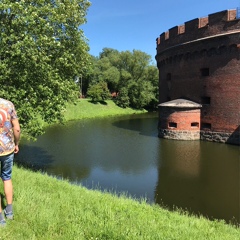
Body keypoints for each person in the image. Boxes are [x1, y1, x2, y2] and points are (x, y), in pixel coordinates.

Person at [0, 98, 20, 226]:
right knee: (7, 178)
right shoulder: (8, 104)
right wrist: (16, 144)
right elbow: (16, 129)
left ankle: (1, 218)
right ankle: (10, 211)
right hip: (7, 150)